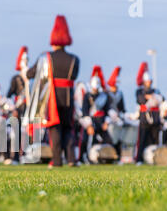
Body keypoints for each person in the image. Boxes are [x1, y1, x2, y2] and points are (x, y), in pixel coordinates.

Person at [26, 15, 79, 167]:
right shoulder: (74, 59)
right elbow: (74, 75)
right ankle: (71, 159)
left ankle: (57, 160)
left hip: (52, 98)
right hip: (68, 96)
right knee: (68, 128)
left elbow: (30, 74)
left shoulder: (46, 57)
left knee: (54, 128)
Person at [81, 66, 113, 158]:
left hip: (101, 122)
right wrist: (89, 125)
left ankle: (108, 157)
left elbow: (107, 110)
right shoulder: (87, 96)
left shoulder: (104, 96)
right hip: (91, 121)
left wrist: (106, 122)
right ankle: (85, 158)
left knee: (109, 141)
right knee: (87, 140)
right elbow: (85, 111)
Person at [135, 62, 163, 164]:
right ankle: (139, 159)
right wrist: (150, 97)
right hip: (144, 118)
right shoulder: (139, 91)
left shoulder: (156, 90)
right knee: (142, 139)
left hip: (155, 118)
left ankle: (154, 159)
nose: (148, 83)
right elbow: (140, 100)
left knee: (155, 139)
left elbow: (161, 99)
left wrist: (152, 97)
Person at [106, 66, 125, 159]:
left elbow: (122, 107)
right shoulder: (107, 94)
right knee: (110, 137)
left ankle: (118, 156)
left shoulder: (120, 94)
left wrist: (122, 115)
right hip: (109, 118)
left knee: (119, 138)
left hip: (118, 118)